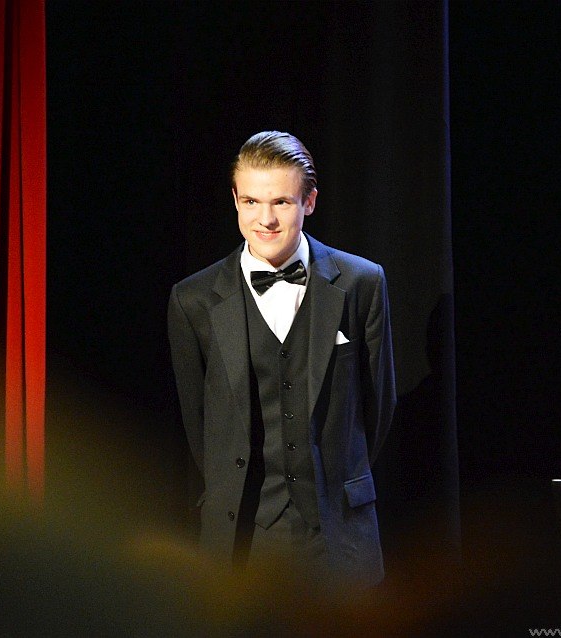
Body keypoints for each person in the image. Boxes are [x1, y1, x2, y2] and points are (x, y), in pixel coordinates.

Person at [167, 131, 396, 587]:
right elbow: (198, 425)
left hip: (339, 534)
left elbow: (378, 406)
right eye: (251, 201)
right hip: (243, 536)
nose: (265, 219)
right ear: (235, 199)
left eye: (282, 202)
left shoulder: (362, 283)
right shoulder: (193, 299)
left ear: (309, 202)